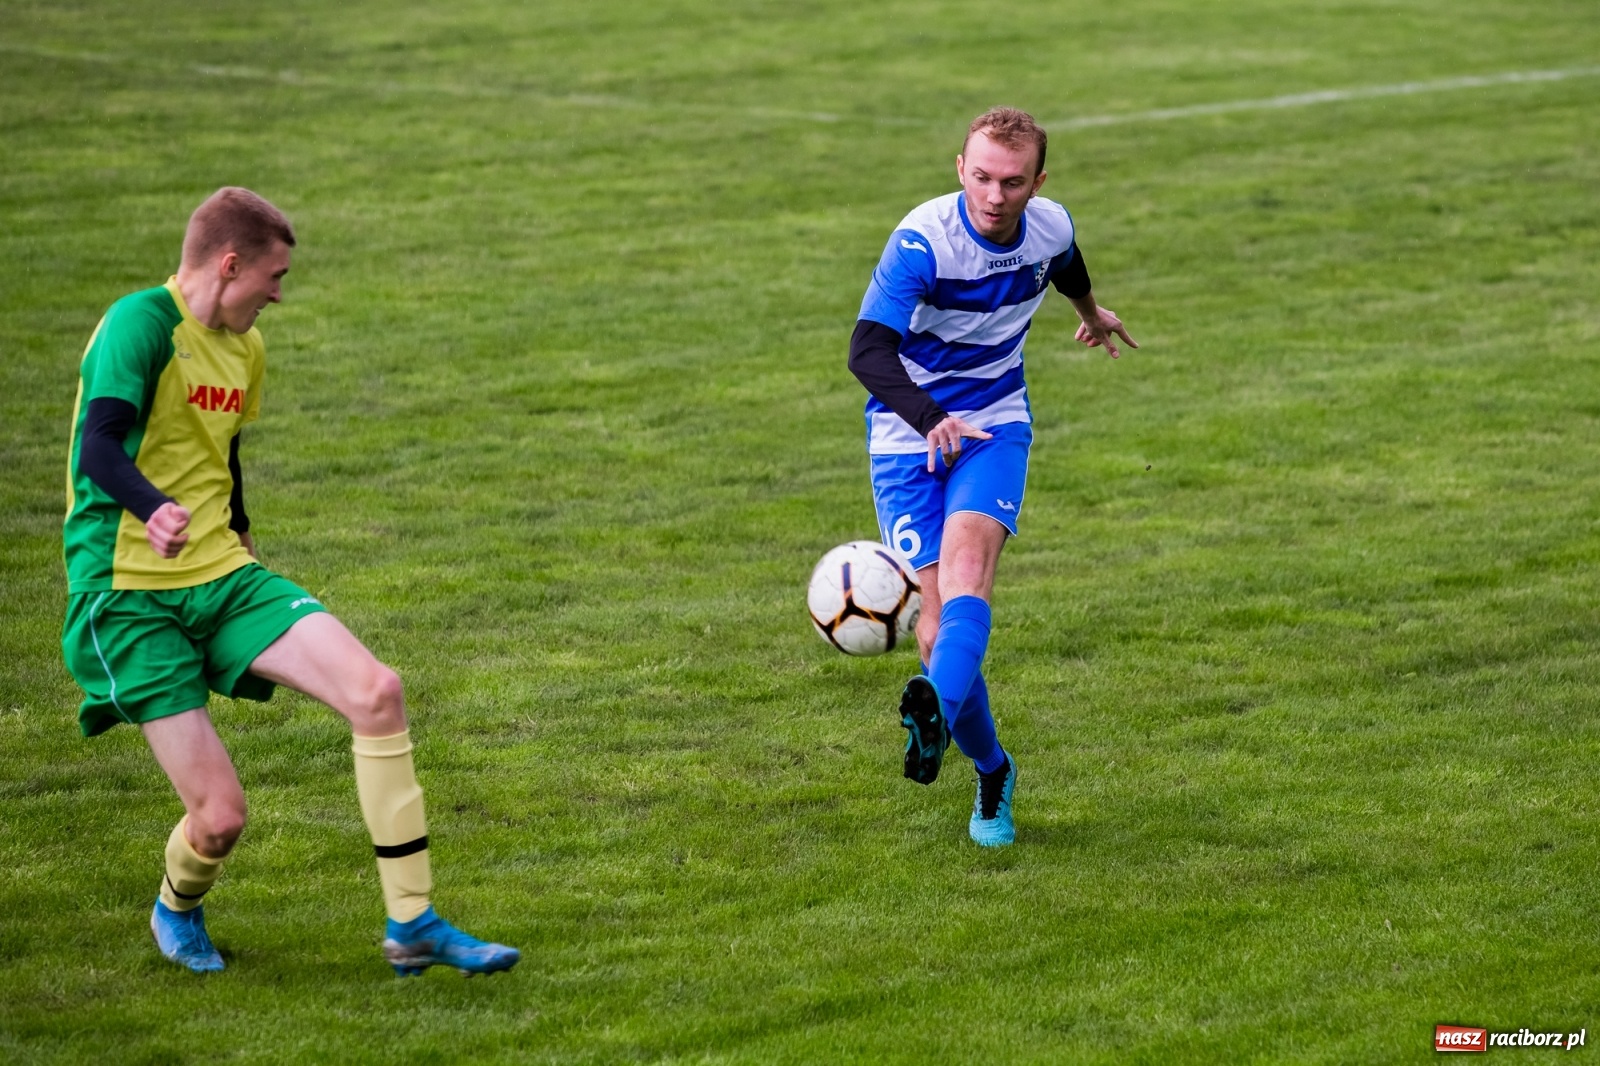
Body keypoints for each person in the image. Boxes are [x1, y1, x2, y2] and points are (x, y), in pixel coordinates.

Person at [60, 187, 520, 976]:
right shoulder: (141, 324)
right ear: (229, 264)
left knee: (377, 691)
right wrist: (153, 507)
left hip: (223, 576)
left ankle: (412, 923)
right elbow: (99, 446)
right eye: (273, 277)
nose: (278, 294)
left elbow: (223, 445)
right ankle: (176, 907)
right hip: (126, 594)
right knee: (219, 818)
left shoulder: (246, 350)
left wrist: (237, 522)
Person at [848, 108, 1137, 846]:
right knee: (935, 628)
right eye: (981, 177)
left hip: (995, 423)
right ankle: (992, 767)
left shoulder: (1050, 226)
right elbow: (866, 352)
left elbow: (1066, 263)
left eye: (1012, 182)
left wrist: (1090, 312)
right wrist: (929, 418)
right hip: (907, 434)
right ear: (960, 170)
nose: (994, 195)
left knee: (969, 571)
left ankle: (934, 717)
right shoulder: (923, 242)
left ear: (1037, 183)